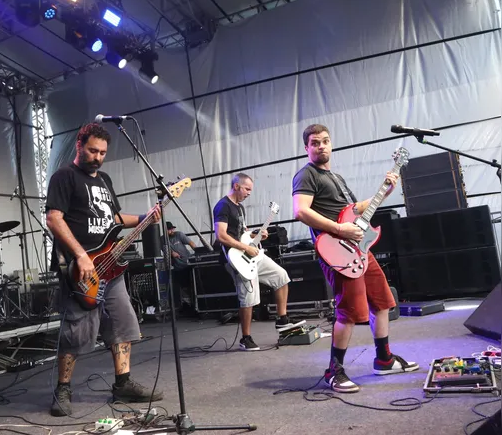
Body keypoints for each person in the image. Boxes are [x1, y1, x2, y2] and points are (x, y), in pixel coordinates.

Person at [45, 123, 164, 417]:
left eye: (102, 153)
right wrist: (81, 256)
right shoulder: (64, 177)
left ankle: (122, 383)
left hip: (110, 267)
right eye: (92, 150)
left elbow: (112, 218)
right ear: (79, 145)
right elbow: (54, 219)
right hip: (81, 269)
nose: (97, 157)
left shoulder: (105, 180)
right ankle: (63, 389)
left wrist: (144, 218)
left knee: (122, 324)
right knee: (76, 332)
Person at [292, 123, 419, 393]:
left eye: (325, 141)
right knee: (348, 313)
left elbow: (353, 209)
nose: (321, 146)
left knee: (382, 301)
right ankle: (334, 370)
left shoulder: (336, 177)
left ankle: (383, 359)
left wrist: (382, 192)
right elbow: (300, 211)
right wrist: (338, 229)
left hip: (358, 247)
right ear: (307, 148)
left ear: (331, 143)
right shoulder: (306, 175)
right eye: (315, 143)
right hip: (337, 251)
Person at [213, 173, 304, 351]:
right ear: (236, 186)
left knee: (281, 276)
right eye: (247, 189)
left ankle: (282, 320)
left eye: (250, 190)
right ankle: (245, 338)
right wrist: (246, 248)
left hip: (249, 253)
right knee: (248, 297)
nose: (249, 193)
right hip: (234, 258)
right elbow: (221, 236)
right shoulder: (223, 206)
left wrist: (257, 234)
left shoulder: (239, 207)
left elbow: (242, 232)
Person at [165, 221, 196, 312]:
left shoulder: (179, 235)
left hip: (188, 264)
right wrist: (172, 253)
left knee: (193, 285)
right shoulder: (163, 239)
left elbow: (191, 243)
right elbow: (165, 250)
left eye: (172, 229)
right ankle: (187, 305)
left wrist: (198, 252)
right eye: (169, 230)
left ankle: (194, 304)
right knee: (183, 287)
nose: (171, 231)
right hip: (178, 267)